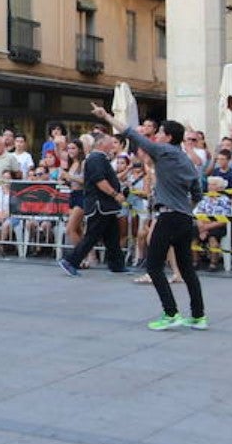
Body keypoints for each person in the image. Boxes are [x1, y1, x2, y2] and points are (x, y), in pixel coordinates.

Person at [93, 102, 206, 329]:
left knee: (153, 266)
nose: (157, 136)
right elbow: (198, 192)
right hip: (184, 218)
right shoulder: (186, 160)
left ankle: (171, 313)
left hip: (168, 216)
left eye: (161, 133)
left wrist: (106, 116)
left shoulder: (163, 151)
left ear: (168, 137)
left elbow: (131, 133)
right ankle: (198, 315)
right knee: (187, 269)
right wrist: (185, 206)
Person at [58, 131, 127, 275]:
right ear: (101, 143)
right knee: (92, 235)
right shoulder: (96, 158)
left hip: (106, 206)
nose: (112, 143)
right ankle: (71, 261)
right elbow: (99, 181)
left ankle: (117, 265)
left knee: (112, 236)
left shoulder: (101, 158)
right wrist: (115, 194)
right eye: (110, 141)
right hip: (99, 205)